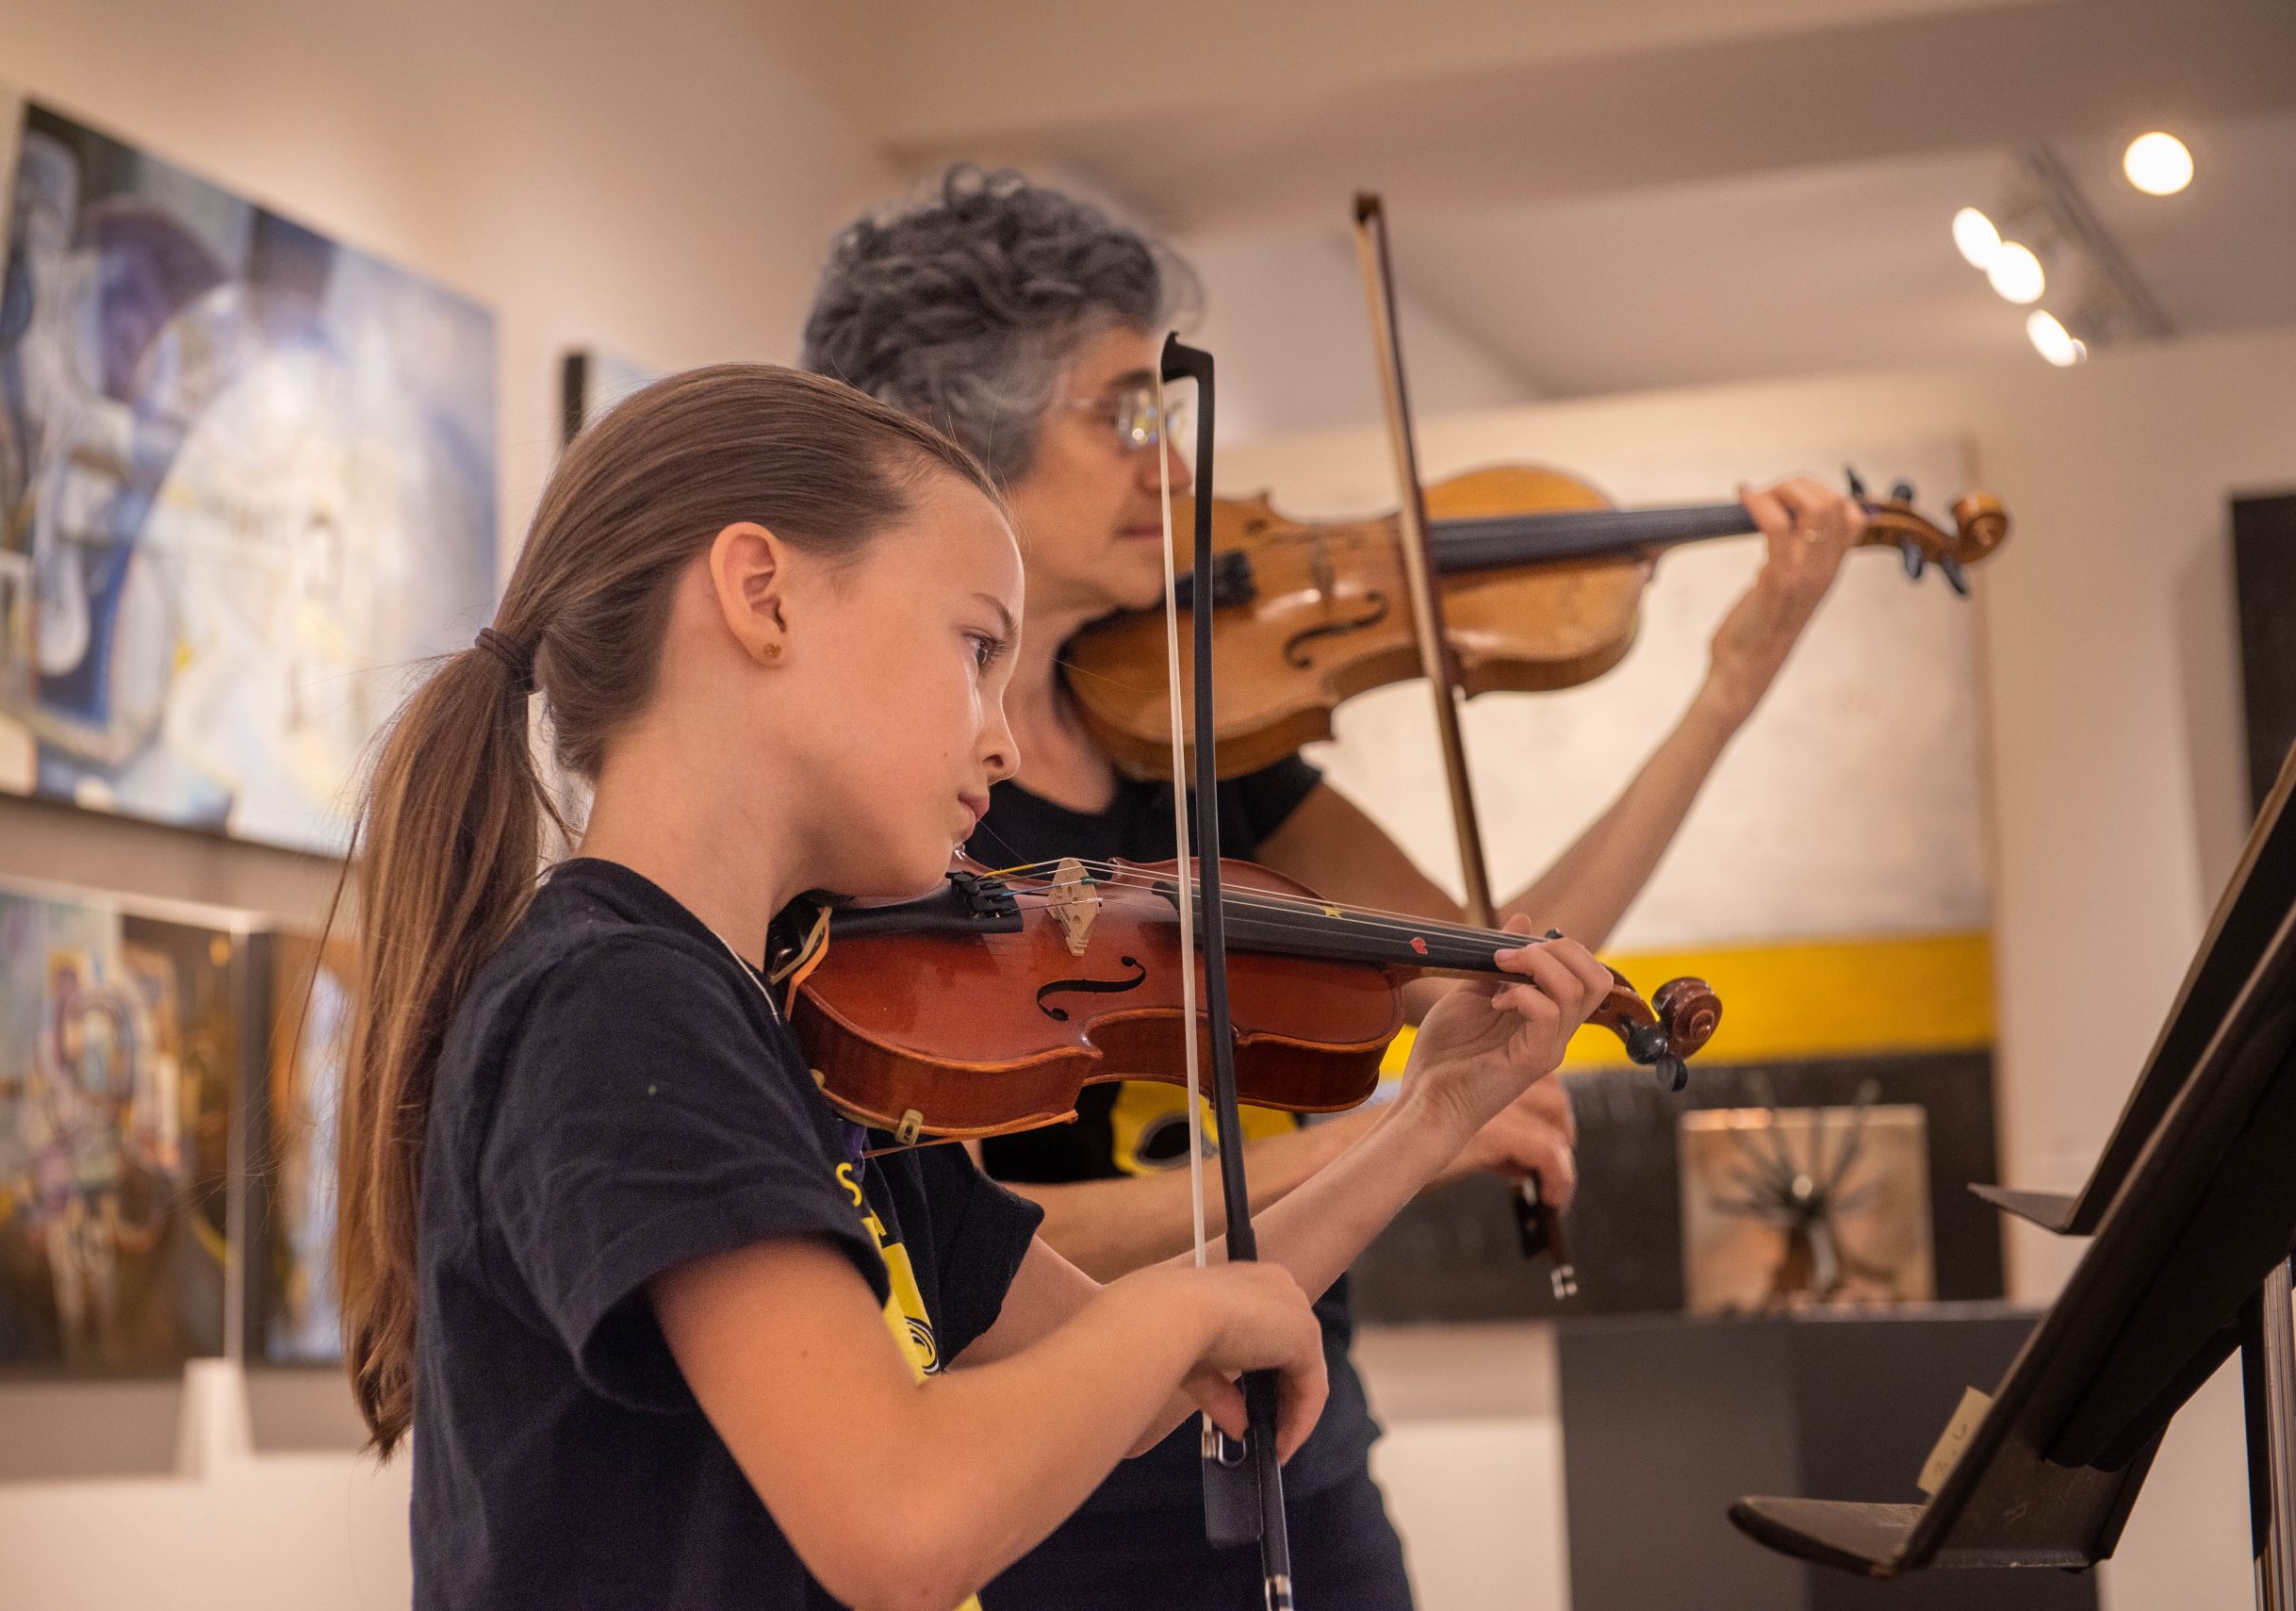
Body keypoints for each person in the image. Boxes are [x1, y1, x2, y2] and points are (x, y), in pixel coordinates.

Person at [333, 363, 1616, 1610]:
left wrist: (1432, 1115)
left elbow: (1108, 1373)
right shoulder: (614, 1003)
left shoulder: (790, 1024)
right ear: (761, 594)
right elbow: (901, 1518)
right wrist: (1182, 1314)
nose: (1003, 736)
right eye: (975, 645)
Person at [803, 167, 1863, 1606]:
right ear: (956, 425)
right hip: (1049, 1494)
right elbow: (958, 1224)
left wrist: (1723, 698)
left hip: (1290, 1444)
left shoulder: (1194, 732)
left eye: (1164, 416)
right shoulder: (889, 819)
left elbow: (1497, 963)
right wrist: (1371, 1143)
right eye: (1120, 412)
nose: (1169, 466)